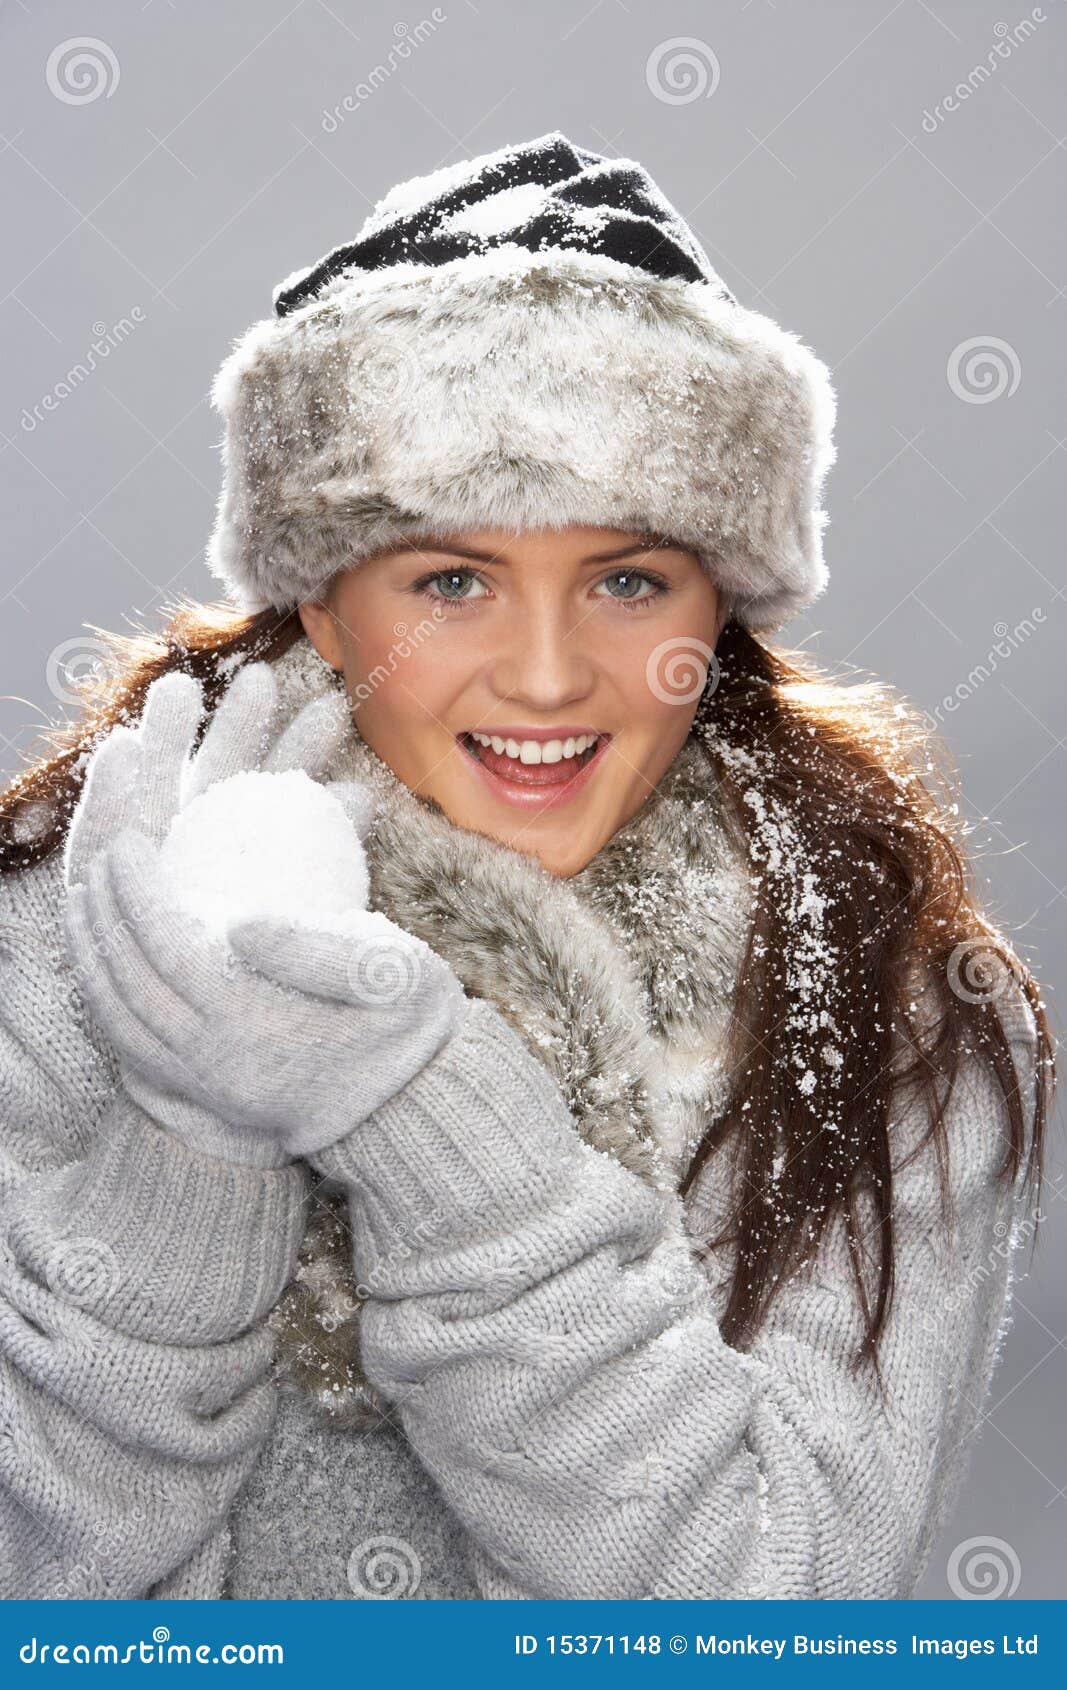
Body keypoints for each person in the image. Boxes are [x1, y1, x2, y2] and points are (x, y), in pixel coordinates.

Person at [0, 132, 1053, 1602]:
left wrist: (425, 1106)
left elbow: (769, 1620)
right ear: (318, 602)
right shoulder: (68, 944)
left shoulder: (887, 1004)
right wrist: (192, 1132)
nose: (551, 675)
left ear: (721, 595)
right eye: (451, 580)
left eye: (630, 580)